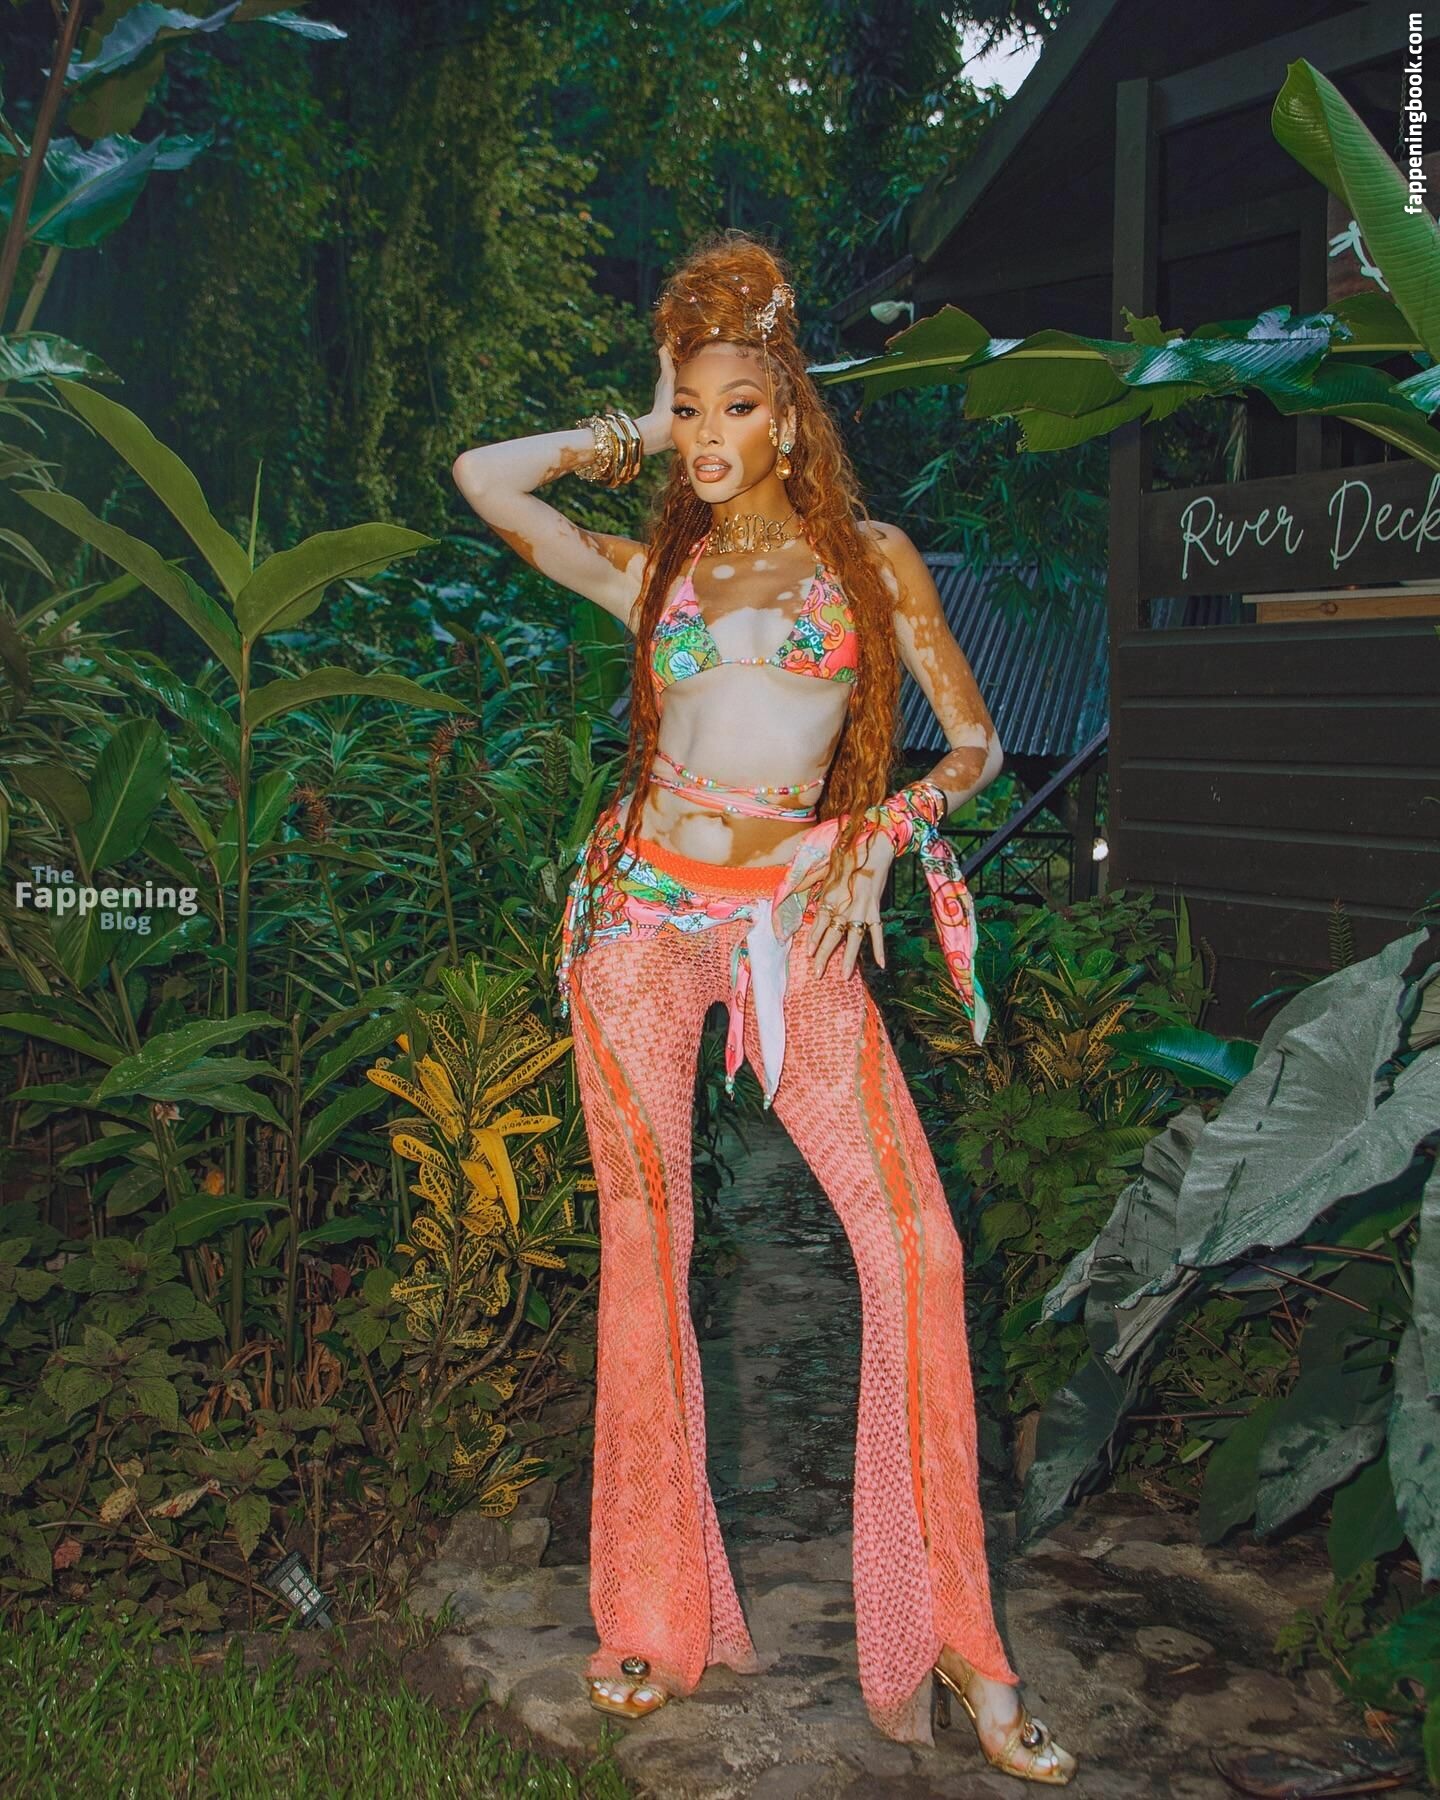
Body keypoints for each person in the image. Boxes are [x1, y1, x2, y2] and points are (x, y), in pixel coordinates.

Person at [451, 230, 1076, 1784]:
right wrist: (634, 430)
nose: (712, 436)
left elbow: (977, 750)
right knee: (645, 1245)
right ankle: (651, 1618)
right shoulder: (655, 569)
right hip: (639, 921)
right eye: (691, 409)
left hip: (793, 919)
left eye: (738, 405)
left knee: (919, 1248)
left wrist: (878, 829)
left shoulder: (871, 563)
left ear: (790, 413)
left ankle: (961, 1641)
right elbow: (484, 479)